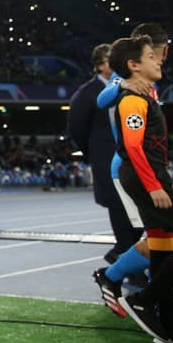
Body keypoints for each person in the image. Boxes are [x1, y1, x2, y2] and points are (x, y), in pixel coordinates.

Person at [105, 34, 173, 343]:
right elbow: (134, 147)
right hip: (143, 176)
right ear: (133, 65)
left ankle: (170, 321)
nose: (158, 60)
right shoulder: (132, 99)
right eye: (150, 56)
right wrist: (154, 185)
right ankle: (144, 300)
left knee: (162, 243)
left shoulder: (145, 95)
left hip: (150, 174)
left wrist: (163, 179)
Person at [67, 43, 140, 270]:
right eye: (111, 60)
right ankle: (125, 259)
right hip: (105, 158)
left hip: (130, 157)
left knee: (135, 210)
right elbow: (76, 128)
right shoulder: (87, 93)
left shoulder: (126, 86)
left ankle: (122, 254)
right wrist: (93, 153)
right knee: (118, 208)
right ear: (99, 65)